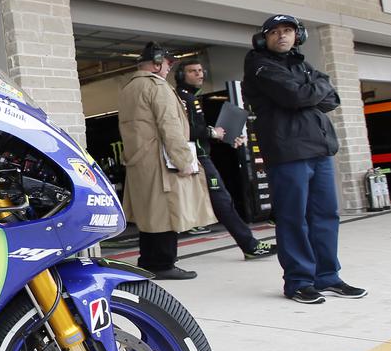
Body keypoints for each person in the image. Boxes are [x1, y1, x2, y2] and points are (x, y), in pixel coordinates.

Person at [243, 14, 366, 304]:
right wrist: (315, 86)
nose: (282, 36)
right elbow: (295, 97)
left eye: (288, 31)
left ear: (298, 36)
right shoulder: (259, 65)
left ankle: (328, 277)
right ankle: (299, 281)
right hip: (287, 153)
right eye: (275, 32)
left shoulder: (300, 64)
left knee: (325, 216)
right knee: (293, 218)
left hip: (319, 150)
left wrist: (312, 88)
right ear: (264, 38)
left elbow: (332, 98)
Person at [118, 42, 216, 280]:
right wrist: (184, 161)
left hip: (140, 161)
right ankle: (163, 264)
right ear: (157, 64)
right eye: (168, 63)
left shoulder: (128, 88)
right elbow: (169, 126)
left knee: (150, 214)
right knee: (167, 213)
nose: (169, 69)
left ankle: (148, 261)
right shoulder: (157, 87)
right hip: (161, 162)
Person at [174, 60, 277, 259]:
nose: (199, 74)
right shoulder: (182, 98)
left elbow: (200, 134)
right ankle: (249, 245)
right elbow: (182, 132)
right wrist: (212, 132)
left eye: (200, 70)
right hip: (194, 160)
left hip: (199, 158)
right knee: (223, 201)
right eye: (192, 71)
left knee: (220, 202)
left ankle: (160, 256)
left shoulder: (192, 98)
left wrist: (227, 137)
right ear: (181, 75)